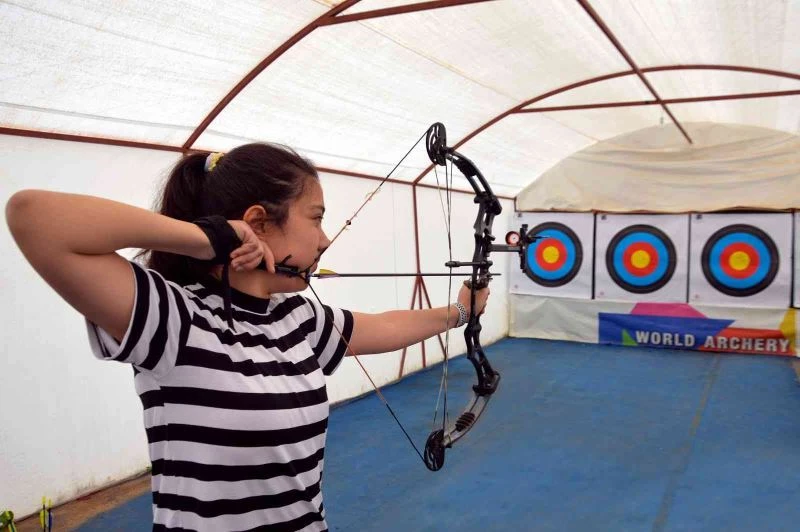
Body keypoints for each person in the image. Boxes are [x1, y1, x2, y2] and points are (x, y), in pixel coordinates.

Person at [5, 142, 490, 532]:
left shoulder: (296, 319)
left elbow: (382, 326)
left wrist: (459, 311)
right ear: (259, 222)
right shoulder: (175, 317)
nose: (324, 240)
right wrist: (209, 236)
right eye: (316, 217)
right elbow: (34, 216)